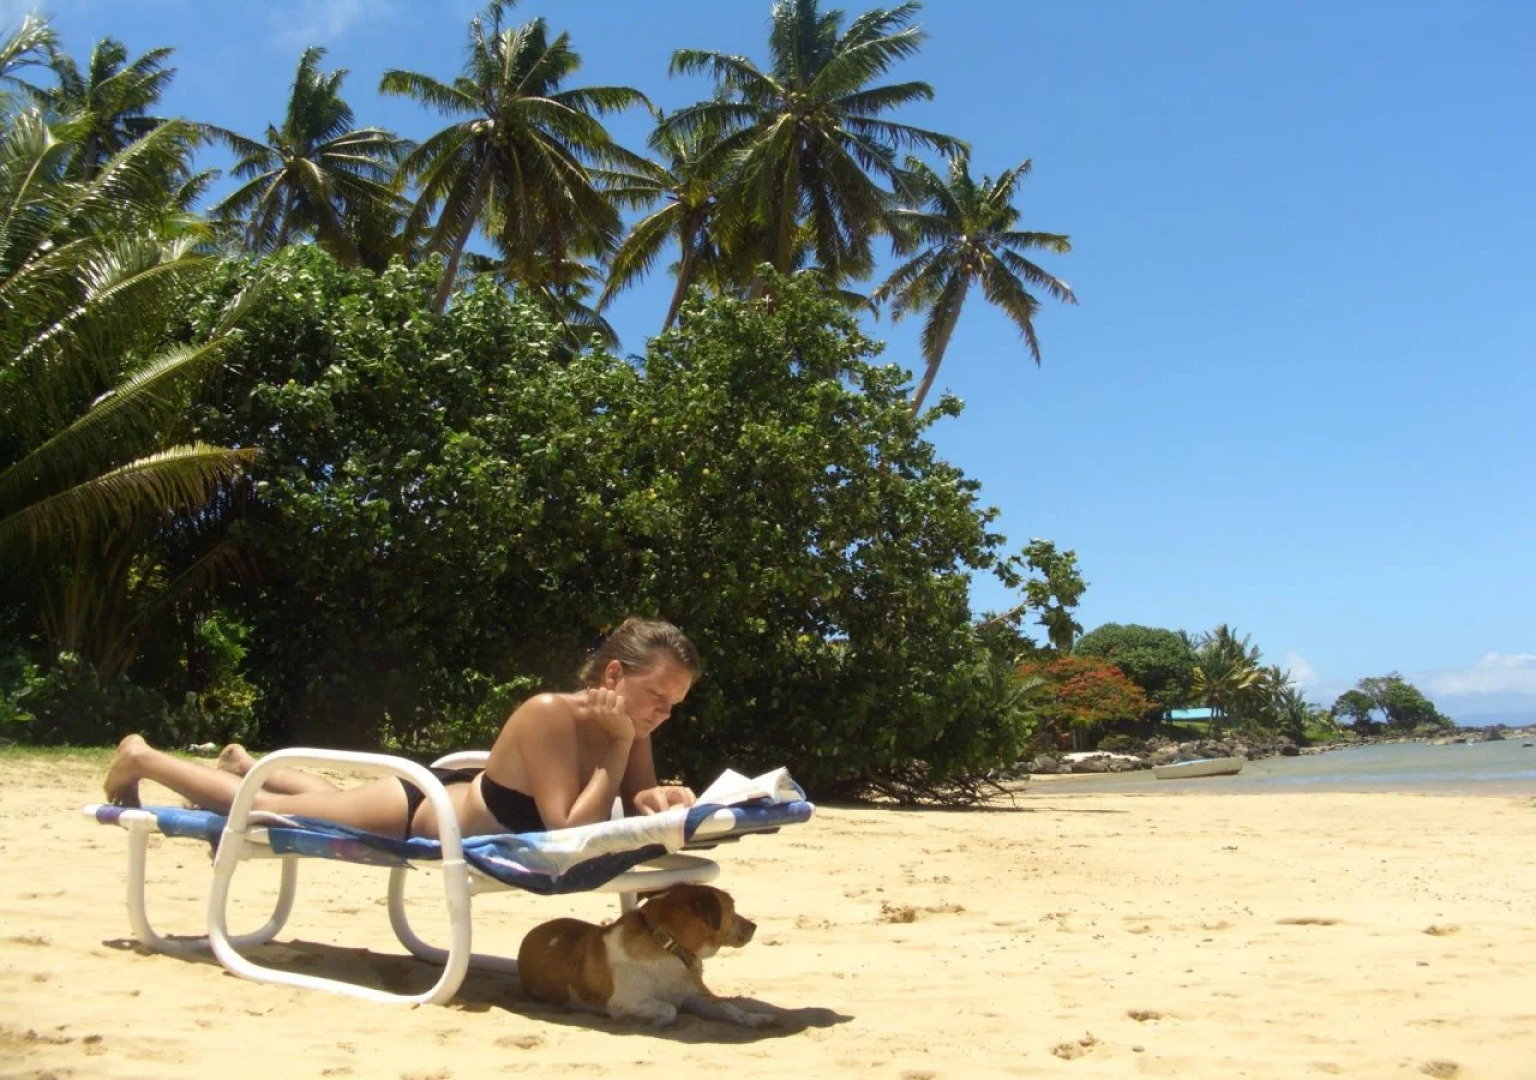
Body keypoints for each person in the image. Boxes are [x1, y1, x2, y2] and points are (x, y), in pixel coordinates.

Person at [102, 617, 701, 840]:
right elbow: (571, 829)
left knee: (336, 801)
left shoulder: (630, 723)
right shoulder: (551, 714)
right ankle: (142, 756)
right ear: (616, 672)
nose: (662, 714)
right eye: (657, 697)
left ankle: (243, 758)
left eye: (674, 705)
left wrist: (661, 795)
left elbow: (631, 800)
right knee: (260, 807)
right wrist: (622, 745)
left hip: (455, 792)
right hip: (424, 807)